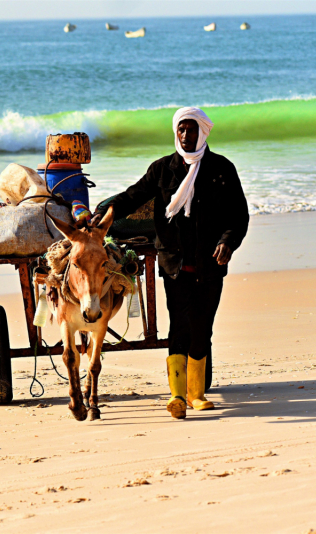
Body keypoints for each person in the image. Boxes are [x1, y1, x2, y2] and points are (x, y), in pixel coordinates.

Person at [89, 107, 249, 419]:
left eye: (192, 130)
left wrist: (228, 242)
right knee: (179, 325)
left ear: (203, 132)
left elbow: (238, 215)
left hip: (210, 266)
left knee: (203, 327)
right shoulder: (162, 170)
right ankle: (177, 394)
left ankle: (197, 395)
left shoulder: (221, 169)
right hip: (175, 265)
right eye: (181, 130)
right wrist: (104, 212)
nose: (186, 136)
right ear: (175, 132)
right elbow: (133, 196)